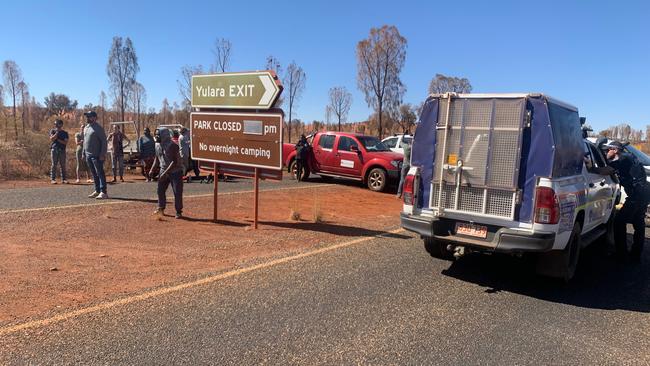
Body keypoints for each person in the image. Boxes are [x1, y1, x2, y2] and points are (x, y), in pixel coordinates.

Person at [605, 141, 650, 262]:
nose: (606, 152)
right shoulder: (627, 157)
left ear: (615, 150)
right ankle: (635, 256)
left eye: (607, 150)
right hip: (644, 193)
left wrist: (590, 167)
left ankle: (621, 254)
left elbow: (606, 170)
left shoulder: (623, 159)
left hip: (637, 195)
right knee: (639, 223)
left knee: (619, 222)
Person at [150, 128, 184, 219]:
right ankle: (161, 208)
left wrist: (165, 173)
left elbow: (174, 162)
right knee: (160, 190)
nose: (156, 136)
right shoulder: (157, 145)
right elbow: (157, 158)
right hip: (163, 170)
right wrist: (152, 169)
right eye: (156, 134)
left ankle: (178, 211)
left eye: (158, 135)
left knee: (177, 192)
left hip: (175, 171)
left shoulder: (173, 146)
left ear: (164, 135)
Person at [83, 111, 108, 199]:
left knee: (100, 173)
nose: (87, 118)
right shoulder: (86, 128)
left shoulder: (98, 128)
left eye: (89, 116)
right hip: (88, 155)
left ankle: (103, 192)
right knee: (94, 174)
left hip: (97, 155)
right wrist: (84, 153)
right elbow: (85, 141)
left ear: (94, 118)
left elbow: (104, 142)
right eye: (87, 116)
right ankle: (97, 191)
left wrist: (102, 154)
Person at [49, 119, 69, 184]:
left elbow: (65, 142)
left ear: (61, 124)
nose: (56, 125)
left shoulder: (65, 133)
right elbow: (52, 139)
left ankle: (64, 179)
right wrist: (57, 133)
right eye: (55, 124)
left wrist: (57, 140)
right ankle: (53, 179)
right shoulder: (53, 131)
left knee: (63, 165)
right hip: (54, 149)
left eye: (57, 124)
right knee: (54, 165)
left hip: (62, 150)